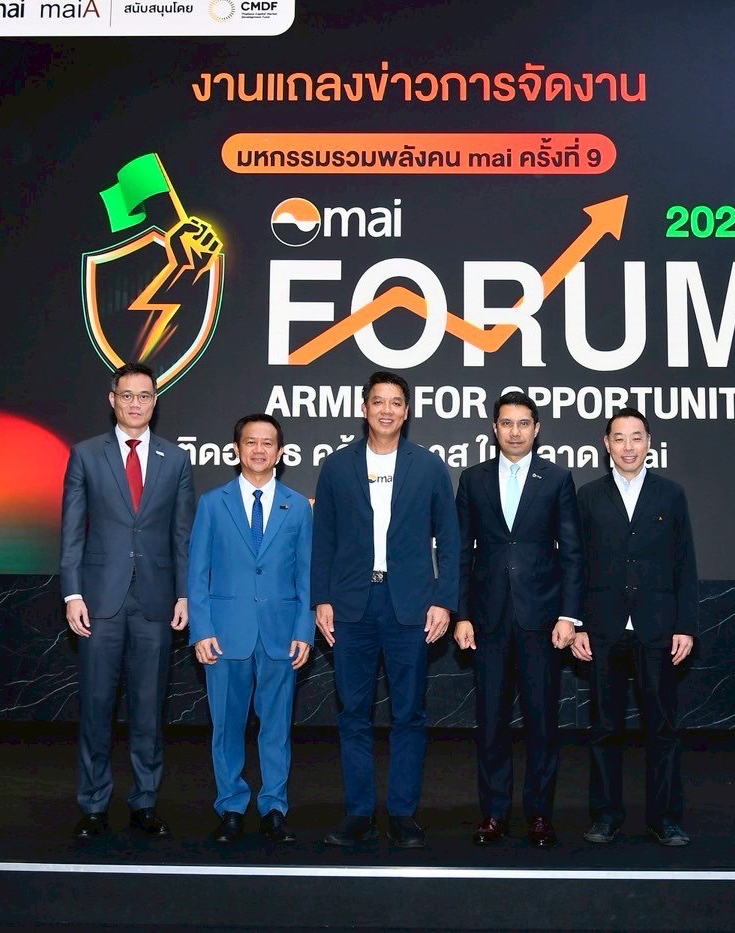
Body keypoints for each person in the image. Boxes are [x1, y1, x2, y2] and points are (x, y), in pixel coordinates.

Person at [312, 369, 459, 848]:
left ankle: (402, 813)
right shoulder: (337, 466)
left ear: (407, 411)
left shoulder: (430, 466)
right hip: (351, 606)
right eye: (378, 401)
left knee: (409, 714)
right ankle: (359, 814)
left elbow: (450, 540)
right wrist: (321, 599)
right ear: (364, 408)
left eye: (396, 402)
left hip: (409, 606)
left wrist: (444, 601)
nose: (387, 410)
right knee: (353, 713)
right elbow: (323, 538)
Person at [60, 361, 194, 841]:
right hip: (99, 600)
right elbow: (72, 531)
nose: (136, 403)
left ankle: (145, 802)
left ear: (155, 402)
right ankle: (94, 804)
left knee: (149, 709)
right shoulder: (85, 455)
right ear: (112, 399)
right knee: (96, 707)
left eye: (145, 395)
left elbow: (182, 535)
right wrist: (72, 592)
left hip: (157, 601)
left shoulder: (175, 459)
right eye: (128, 395)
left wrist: (185, 593)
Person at [453, 391, 585, 849]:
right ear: (494, 428)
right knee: (490, 722)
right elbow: (461, 553)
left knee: (542, 722)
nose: (515, 432)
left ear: (537, 428)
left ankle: (539, 815)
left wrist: (569, 615)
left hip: (542, 619)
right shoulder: (472, 479)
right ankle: (493, 814)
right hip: (486, 620)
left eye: (523, 423)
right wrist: (462, 614)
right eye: (506, 423)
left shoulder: (558, 478)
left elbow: (572, 552)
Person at [571, 407, 699, 848]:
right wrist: (577, 623)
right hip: (602, 628)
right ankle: (606, 816)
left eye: (636, 437)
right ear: (606, 444)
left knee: (662, 729)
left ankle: (666, 819)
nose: (628, 446)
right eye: (619, 438)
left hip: (658, 628)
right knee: (605, 729)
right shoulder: (588, 496)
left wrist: (685, 625)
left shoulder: (671, 494)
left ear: (649, 443)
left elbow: (685, 563)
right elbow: (576, 565)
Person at [186, 413, 313, 845]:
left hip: (282, 635)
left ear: (281, 452)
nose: (259, 449)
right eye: (250, 442)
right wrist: (201, 629)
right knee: (227, 727)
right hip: (224, 635)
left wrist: (304, 630)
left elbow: (306, 575)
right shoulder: (212, 503)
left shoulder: (298, 506)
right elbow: (197, 573)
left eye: (268, 443)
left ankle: (274, 807)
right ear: (236, 449)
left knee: (276, 728)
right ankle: (231, 807)